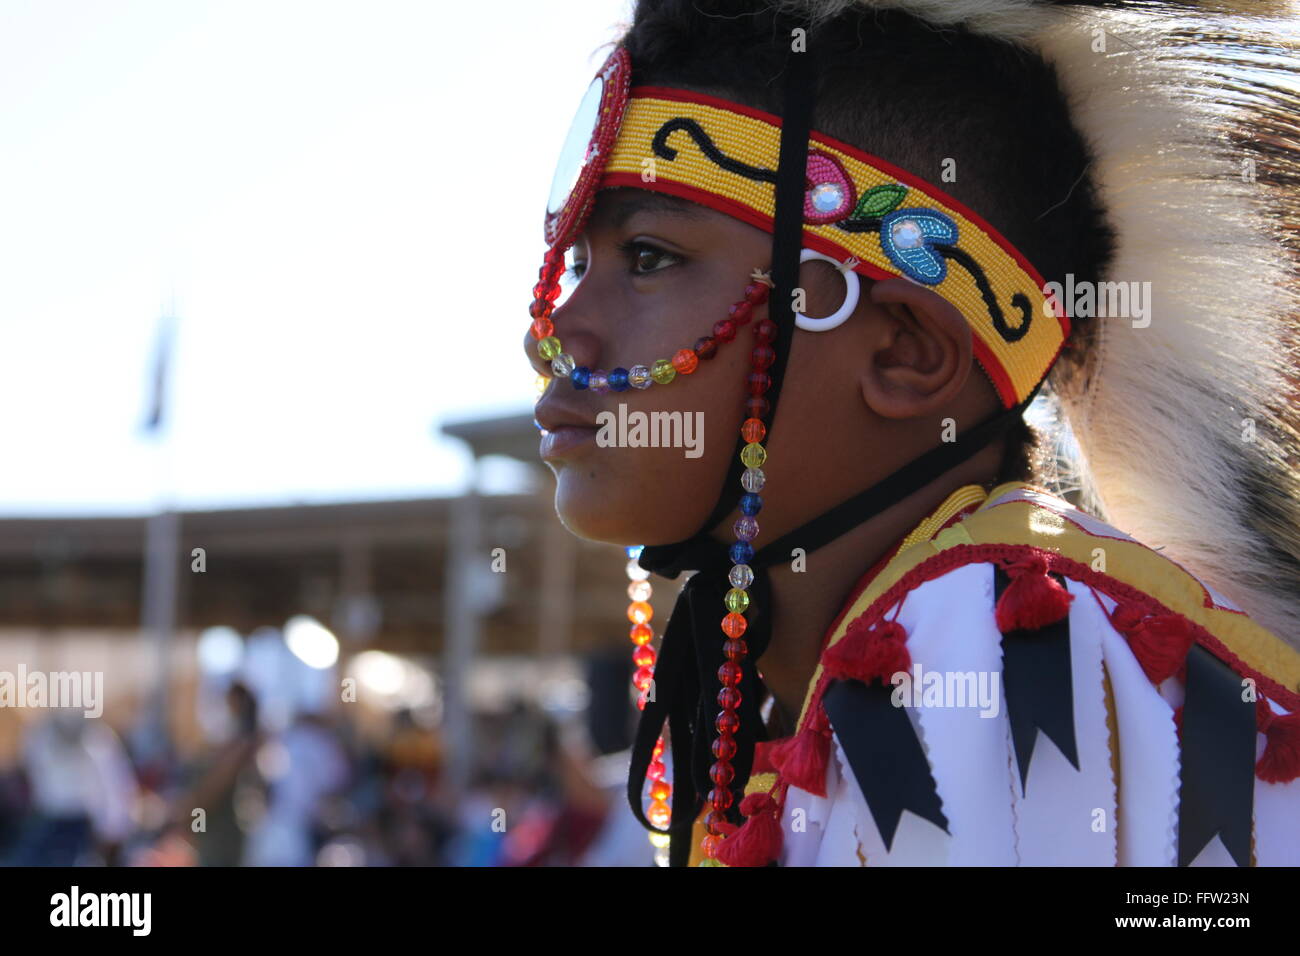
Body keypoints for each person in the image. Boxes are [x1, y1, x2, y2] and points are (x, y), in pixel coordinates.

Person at [525, 0, 1300, 866]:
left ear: (904, 351)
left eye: (649, 258)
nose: (555, 332)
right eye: (579, 264)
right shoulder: (899, 659)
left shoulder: (992, 650)